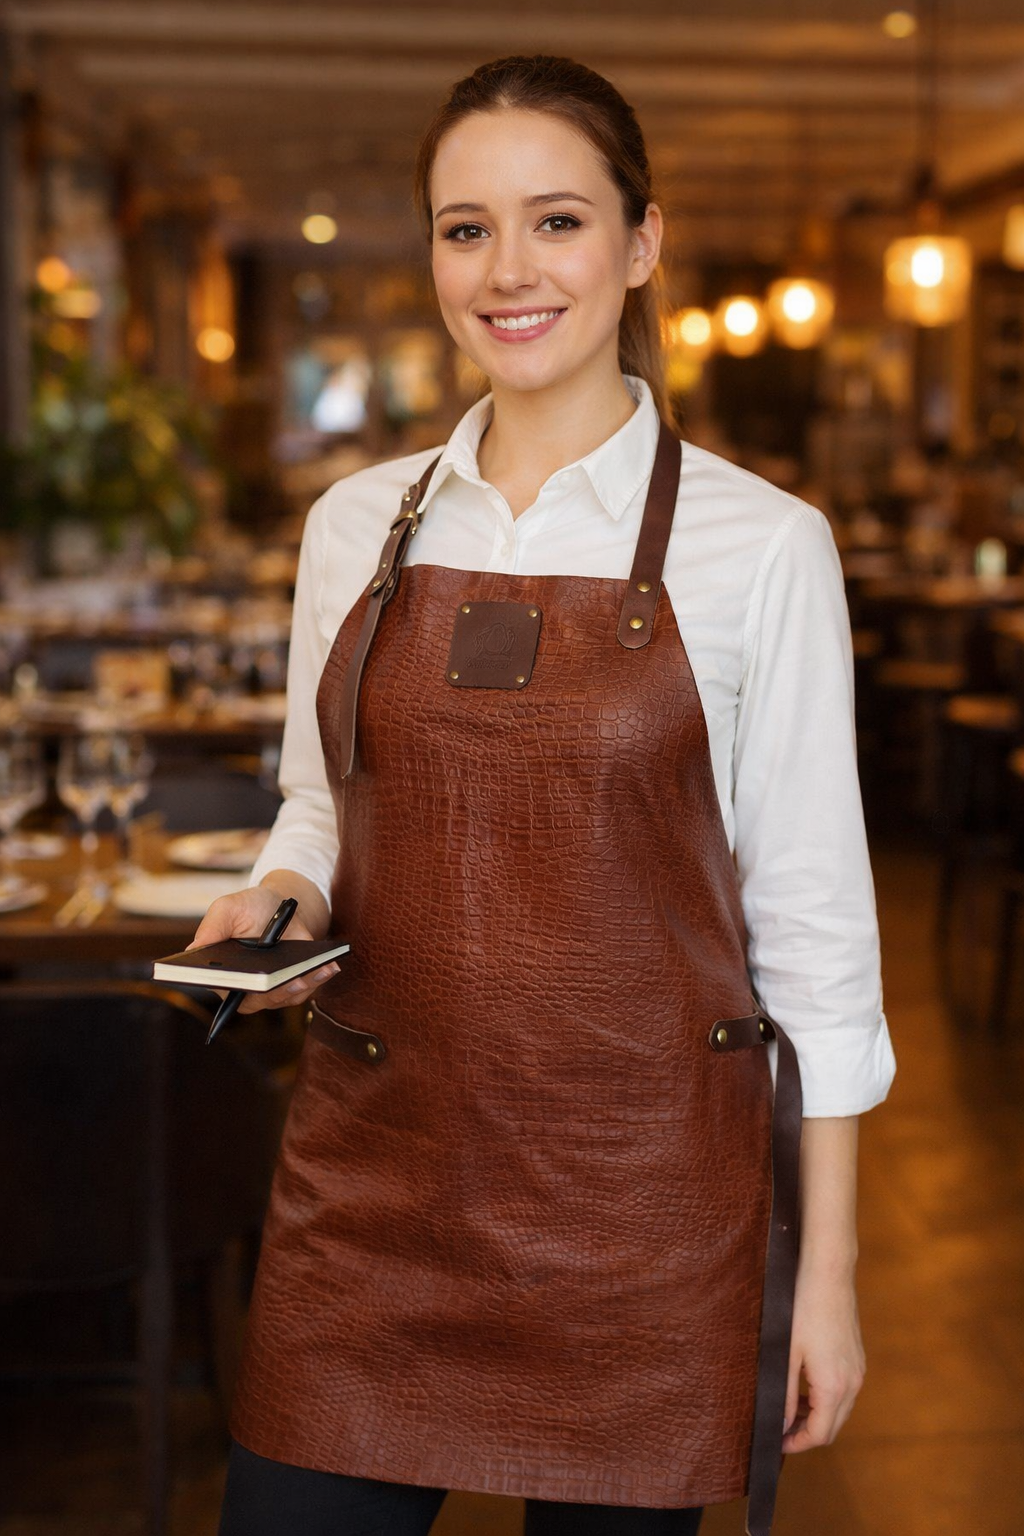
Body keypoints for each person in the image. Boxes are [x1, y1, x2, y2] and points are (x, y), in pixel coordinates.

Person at [201, 54, 896, 1536]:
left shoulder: (763, 546)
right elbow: (321, 808)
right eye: (466, 228)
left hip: (641, 1216)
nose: (508, 271)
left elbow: (817, 942)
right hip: (373, 1190)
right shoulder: (352, 525)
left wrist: (816, 1283)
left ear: (642, 245)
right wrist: (284, 893)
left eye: (557, 221)